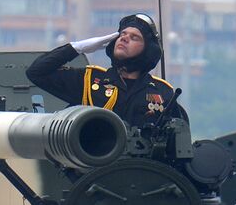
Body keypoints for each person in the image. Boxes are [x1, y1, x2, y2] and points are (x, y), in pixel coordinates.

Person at [25, 13, 183, 129]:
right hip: (94, 168)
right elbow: (37, 72)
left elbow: (179, 135)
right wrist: (76, 48)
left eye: (134, 38)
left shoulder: (163, 92)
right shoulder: (89, 80)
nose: (124, 38)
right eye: (122, 34)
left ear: (147, 50)